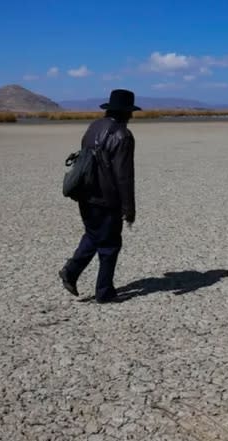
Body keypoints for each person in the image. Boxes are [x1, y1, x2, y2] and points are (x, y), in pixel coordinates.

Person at [59, 89, 139, 303]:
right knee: (110, 244)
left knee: (94, 234)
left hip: (85, 192)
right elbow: (124, 176)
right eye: (130, 112)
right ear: (126, 112)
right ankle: (104, 292)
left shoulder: (94, 126)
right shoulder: (123, 135)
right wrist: (129, 209)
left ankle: (71, 271)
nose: (131, 116)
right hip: (107, 198)